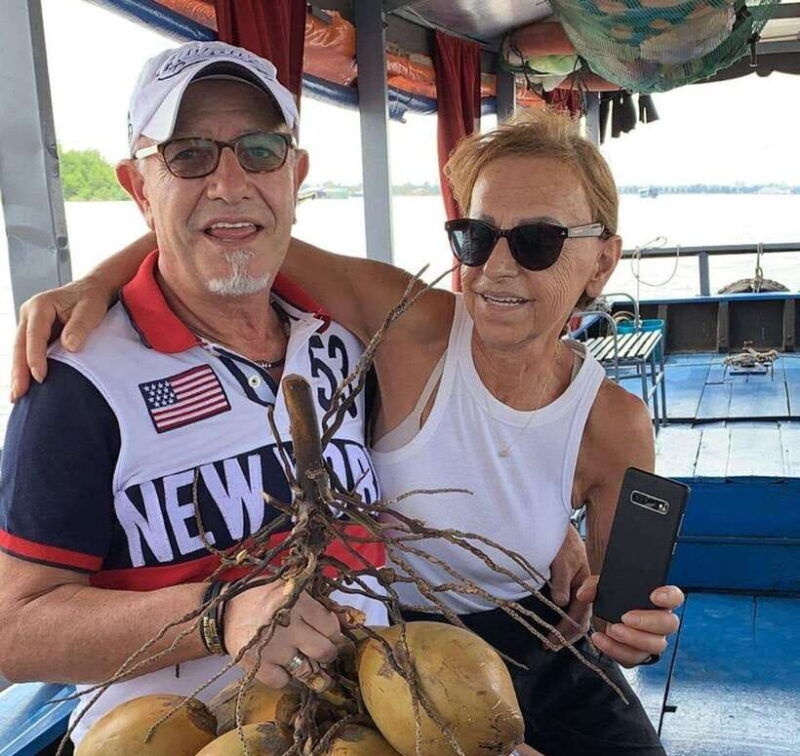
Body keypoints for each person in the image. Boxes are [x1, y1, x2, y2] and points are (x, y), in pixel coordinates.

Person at [10, 53, 683, 755]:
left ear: (603, 260)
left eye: (538, 242)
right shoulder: (404, 329)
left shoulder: (328, 344)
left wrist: (600, 594)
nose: (497, 267)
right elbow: (223, 228)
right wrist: (92, 283)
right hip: (271, 697)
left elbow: (239, 224)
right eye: (476, 238)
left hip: (452, 663)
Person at [0, 41, 388, 746]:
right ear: (139, 189)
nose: (230, 183)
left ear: (295, 175)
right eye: (189, 156)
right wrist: (219, 614)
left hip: (366, 721)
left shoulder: (346, 341)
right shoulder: (81, 382)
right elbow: (13, 629)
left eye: (261, 151)